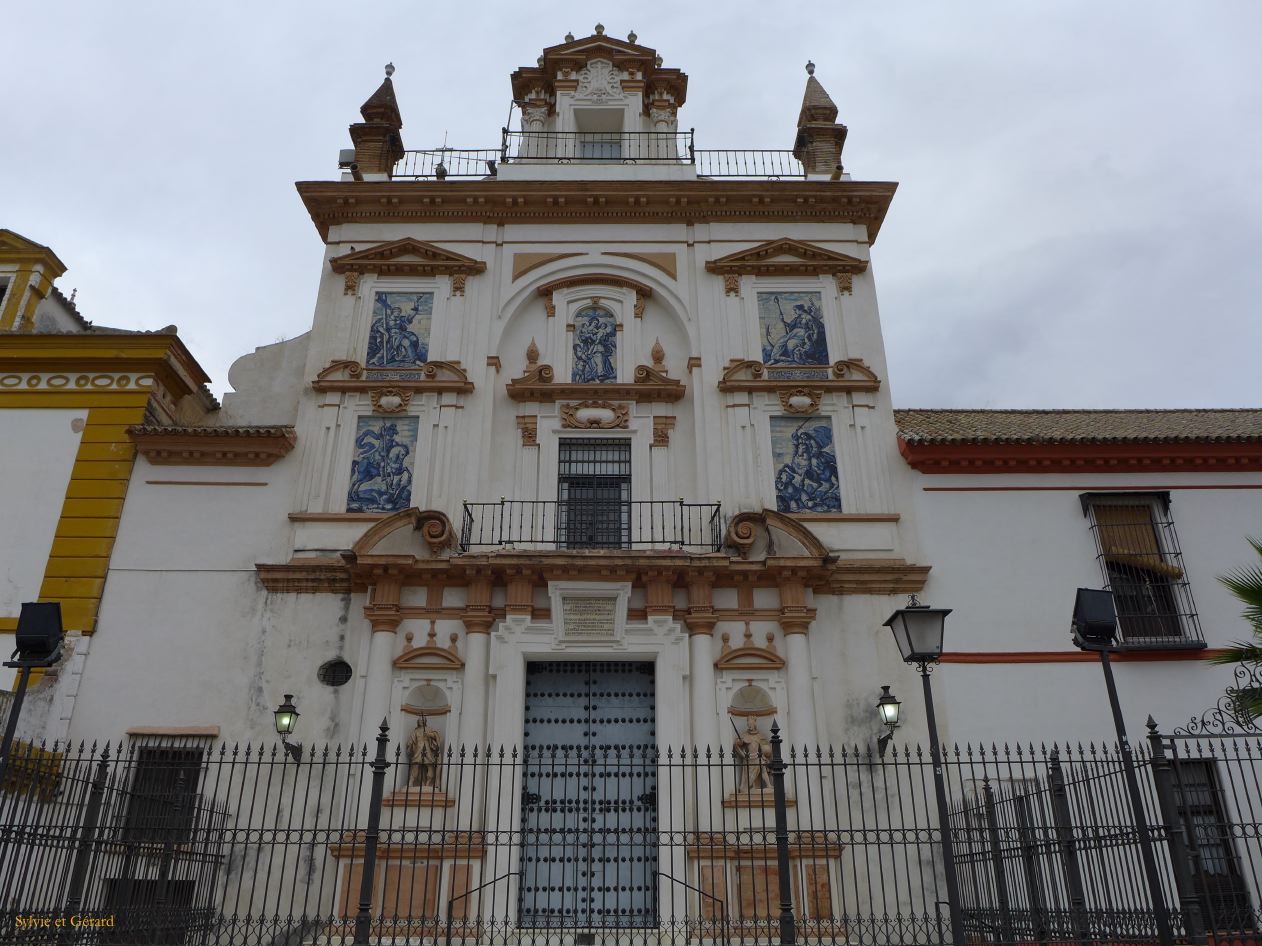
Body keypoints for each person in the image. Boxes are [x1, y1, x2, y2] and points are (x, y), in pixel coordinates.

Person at [733, 716, 772, 792]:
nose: (749, 725)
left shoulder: (759, 735)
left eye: (751, 723)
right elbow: (737, 745)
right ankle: (750, 787)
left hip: (758, 756)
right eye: (748, 723)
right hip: (749, 759)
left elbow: (764, 745)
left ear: (754, 723)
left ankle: (768, 785)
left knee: (763, 768)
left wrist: (766, 752)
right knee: (750, 779)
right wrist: (740, 743)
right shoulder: (744, 735)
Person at [406, 717, 443, 788]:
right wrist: (409, 746)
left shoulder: (429, 729)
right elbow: (411, 740)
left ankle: (428, 783)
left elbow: (436, 736)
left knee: (430, 766)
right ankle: (411, 781)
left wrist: (429, 735)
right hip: (418, 750)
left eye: (422, 721)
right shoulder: (416, 731)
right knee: (415, 765)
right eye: (419, 721)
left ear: (425, 721)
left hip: (427, 750)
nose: (421, 722)